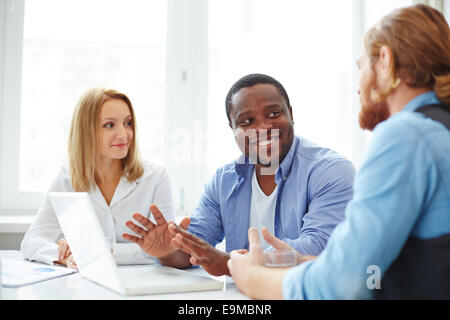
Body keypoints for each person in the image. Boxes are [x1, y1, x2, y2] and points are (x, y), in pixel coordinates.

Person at [227, 4, 450, 299]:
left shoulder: (406, 136)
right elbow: (375, 267)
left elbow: (345, 284)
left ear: (385, 61)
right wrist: (306, 262)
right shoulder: (438, 130)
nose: (358, 87)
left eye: (361, 67)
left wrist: (250, 276)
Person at [123, 74, 356, 276]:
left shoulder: (331, 171)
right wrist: (168, 251)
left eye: (273, 114)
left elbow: (317, 248)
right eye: (247, 121)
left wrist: (229, 263)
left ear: (291, 114)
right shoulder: (223, 181)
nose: (263, 127)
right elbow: (195, 251)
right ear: (232, 129)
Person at [21, 87, 174, 268]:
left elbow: (163, 249)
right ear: (86, 131)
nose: (124, 134)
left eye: (128, 123)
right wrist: (65, 256)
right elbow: (31, 242)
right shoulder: (67, 179)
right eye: (109, 125)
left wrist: (91, 251)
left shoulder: (156, 178)